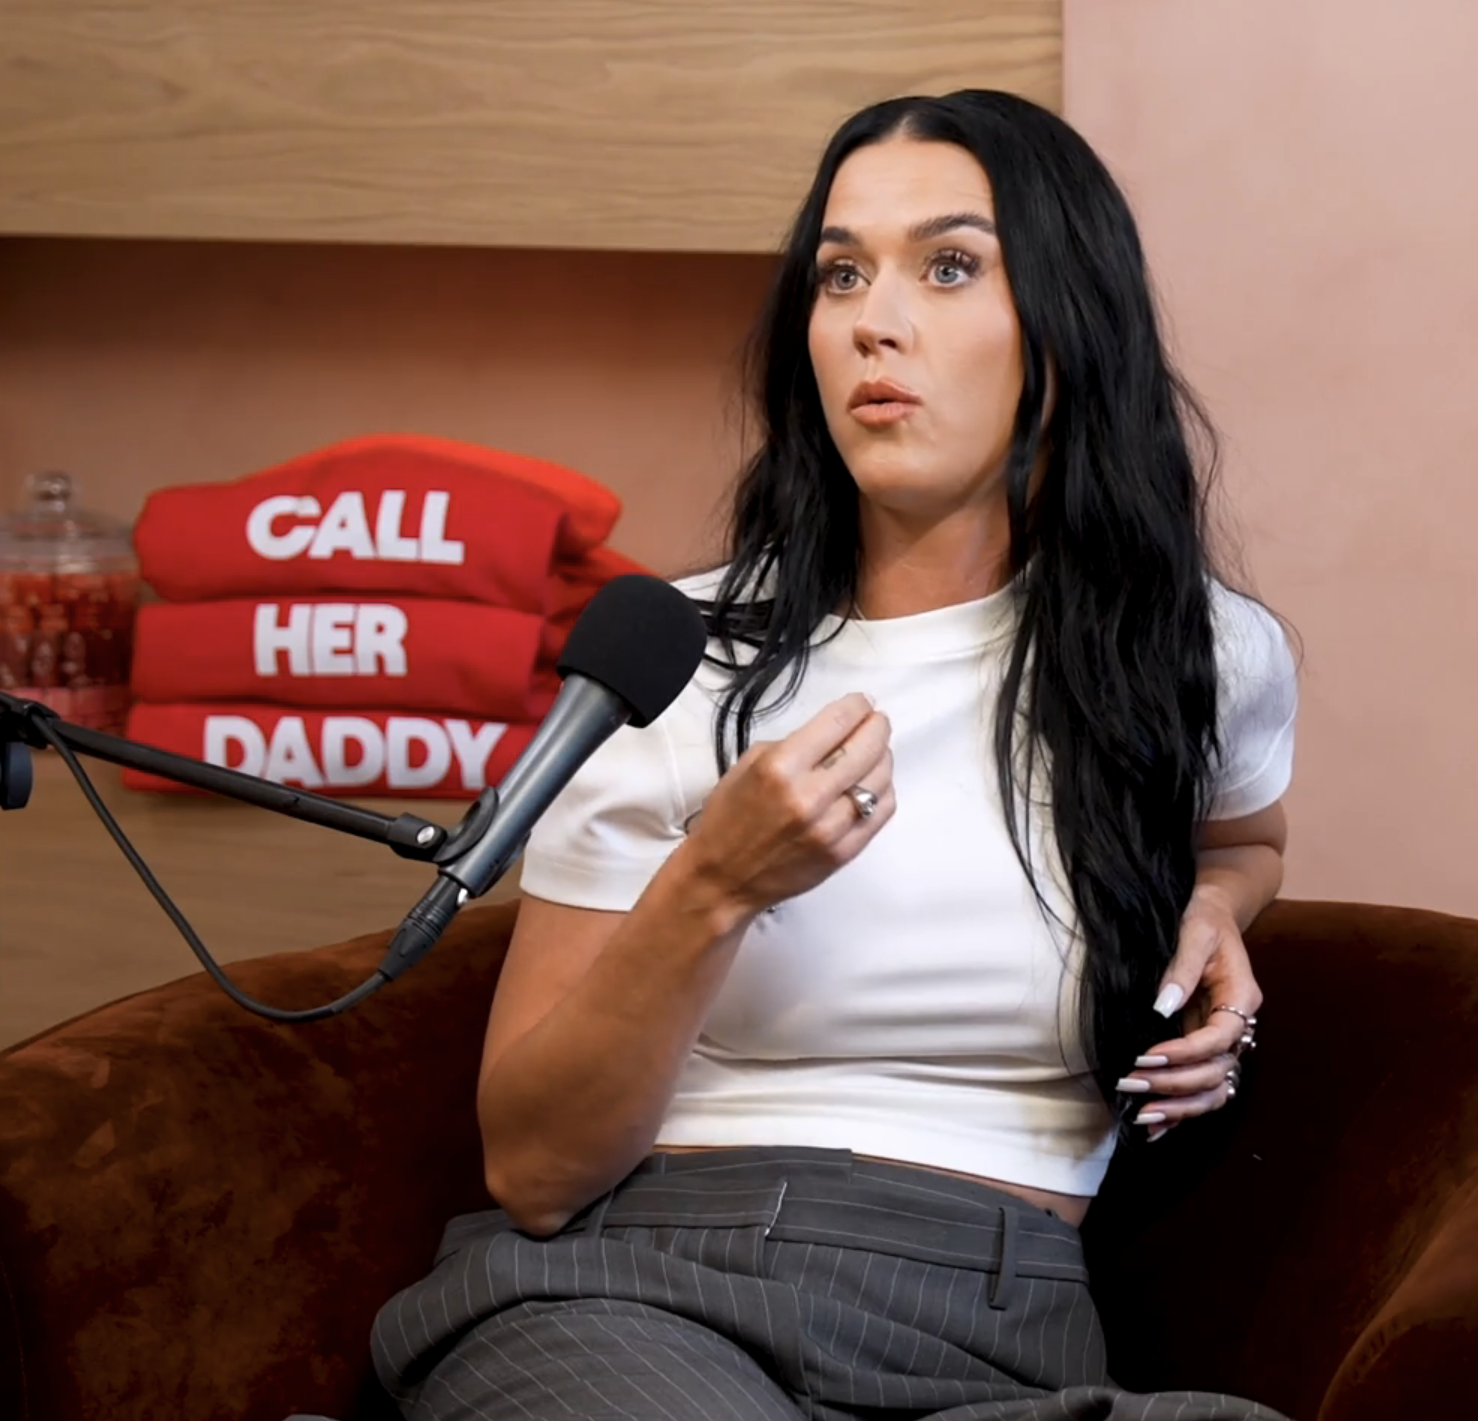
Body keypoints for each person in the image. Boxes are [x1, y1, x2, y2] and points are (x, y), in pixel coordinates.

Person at [357, 89, 1300, 1421]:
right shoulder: (677, 657)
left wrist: (1214, 908)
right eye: (841, 272)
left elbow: (1245, 839)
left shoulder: (1200, 658)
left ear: (1069, 326)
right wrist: (715, 884)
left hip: (996, 1326)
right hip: (637, 1294)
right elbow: (535, 1165)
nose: (874, 318)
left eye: (950, 266)